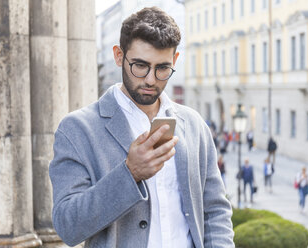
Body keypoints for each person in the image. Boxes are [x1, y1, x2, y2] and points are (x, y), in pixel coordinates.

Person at [49, 7, 234, 248]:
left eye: (162, 68)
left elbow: (215, 211)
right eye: (140, 65)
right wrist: (129, 173)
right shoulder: (77, 129)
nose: (150, 79)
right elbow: (67, 226)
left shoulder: (194, 124)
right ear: (118, 55)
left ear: (175, 61)